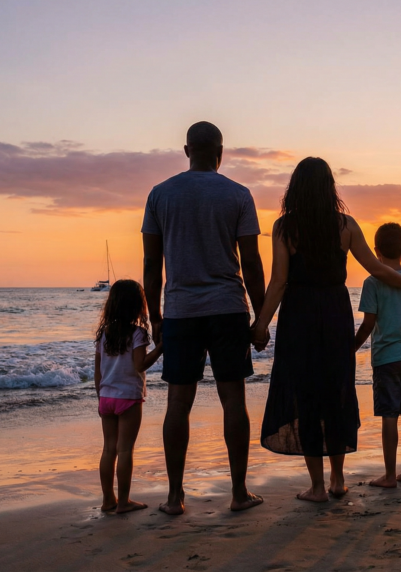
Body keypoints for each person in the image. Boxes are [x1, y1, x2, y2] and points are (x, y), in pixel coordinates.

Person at [252, 157, 401, 503]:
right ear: (329, 188)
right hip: (334, 315)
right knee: (336, 393)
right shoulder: (345, 225)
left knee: (306, 396)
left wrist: (260, 325)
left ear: (295, 189)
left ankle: (317, 487)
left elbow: (279, 282)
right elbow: (377, 268)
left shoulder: (285, 228)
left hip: (299, 318)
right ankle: (337, 480)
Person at [141, 121, 266, 514]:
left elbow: (151, 263)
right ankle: (239, 493)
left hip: (181, 310)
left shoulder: (160, 194)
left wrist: (155, 316)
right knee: (233, 400)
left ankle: (175, 497)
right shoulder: (238, 194)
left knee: (178, 402)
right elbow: (252, 262)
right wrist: (261, 315)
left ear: (186, 150)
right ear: (221, 153)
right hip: (228, 306)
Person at [353, 223, 401, 488]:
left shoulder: (373, 282)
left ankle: (388, 474)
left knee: (389, 415)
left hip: (387, 357)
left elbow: (368, 324)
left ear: (375, 252)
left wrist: (350, 348)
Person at [94, 279, 163, 514]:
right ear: (137, 306)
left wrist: (100, 395)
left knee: (108, 450)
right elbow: (140, 364)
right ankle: (123, 502)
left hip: (106, 397)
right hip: (128, 398)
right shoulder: (138, 333)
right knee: (125, 451)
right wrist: (160, 349)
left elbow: (98, 369)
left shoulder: (104, 334)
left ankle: (107, 500)